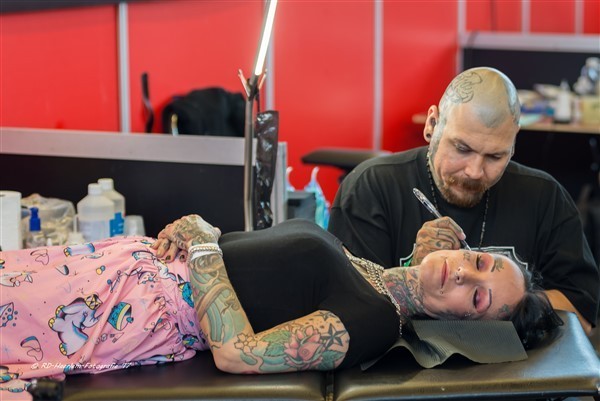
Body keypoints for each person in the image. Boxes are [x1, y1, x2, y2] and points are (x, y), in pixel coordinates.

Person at [0, 215, 559, 393]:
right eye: (478, 261)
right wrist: (202, 231)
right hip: (123, 264)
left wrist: (203, 244)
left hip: (130, 307)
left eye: (476, 295)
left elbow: (237, 352)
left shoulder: (372, 321)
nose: (462, 272)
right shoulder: (377, 277)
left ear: (464, 323)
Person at [328, 66, 599, 335]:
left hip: (512, 362)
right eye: (462, 148)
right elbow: (348, 315)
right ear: (432, 125)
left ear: (513, 144)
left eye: (495, 156)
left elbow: (581, 316)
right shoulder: (372, 188)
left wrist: (506, 306)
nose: (475, 171)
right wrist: (414, 279)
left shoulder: (544, 197)